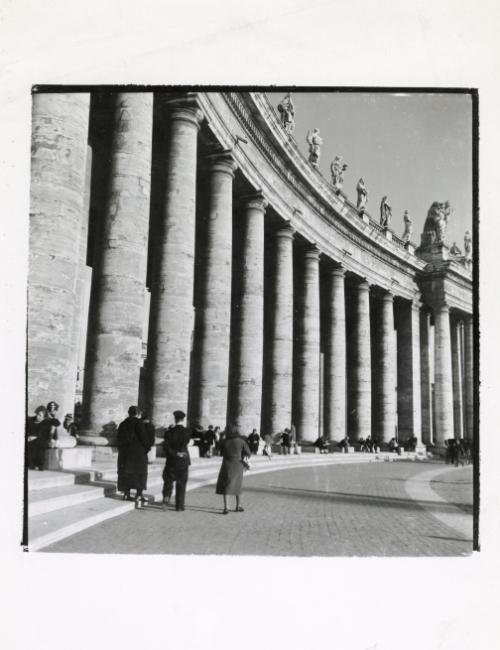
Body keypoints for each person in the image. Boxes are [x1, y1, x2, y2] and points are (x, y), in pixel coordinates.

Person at [117, 406, 151, 507]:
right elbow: (144, 438)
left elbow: (118, 438)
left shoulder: (122, 424)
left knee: (126, 473)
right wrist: (146, 449)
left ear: (129, 413)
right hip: (138, 453)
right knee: (139, 473)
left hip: (125, 453)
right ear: (138, 414)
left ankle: (126, 494)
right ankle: (138, 495)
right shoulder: (139, 423)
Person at [215, 426, 251, 514]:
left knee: (226, 485)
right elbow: (249, 453)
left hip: (227, 463)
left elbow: (218, 449)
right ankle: (238, 506)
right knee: (237, 485)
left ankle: (226, 507)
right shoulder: (241, 441)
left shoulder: (225, 441)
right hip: (238, 464)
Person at [162, 410, 191, 512]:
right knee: (181, 484)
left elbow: (165, 446)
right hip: (183, 460)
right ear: (183, 419)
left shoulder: (169, 432)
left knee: (168, 482)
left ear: (175, 419)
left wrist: (175, 453)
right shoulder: (187, 431)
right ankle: (179, 506)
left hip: (171, 461)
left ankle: (166, 497)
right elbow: (187, 442)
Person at [26, 405, 46, 470]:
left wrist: (34, 437)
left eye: (40, 415)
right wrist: (29, 436)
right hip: (31, 439)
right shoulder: (31, 421)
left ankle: (40, 464)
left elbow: (43, 433)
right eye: (37, 414)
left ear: (44, 417)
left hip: (42, 439)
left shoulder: (46, 423)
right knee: (30, 444)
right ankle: (31, 464)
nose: (38, 416)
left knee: (38, 443)